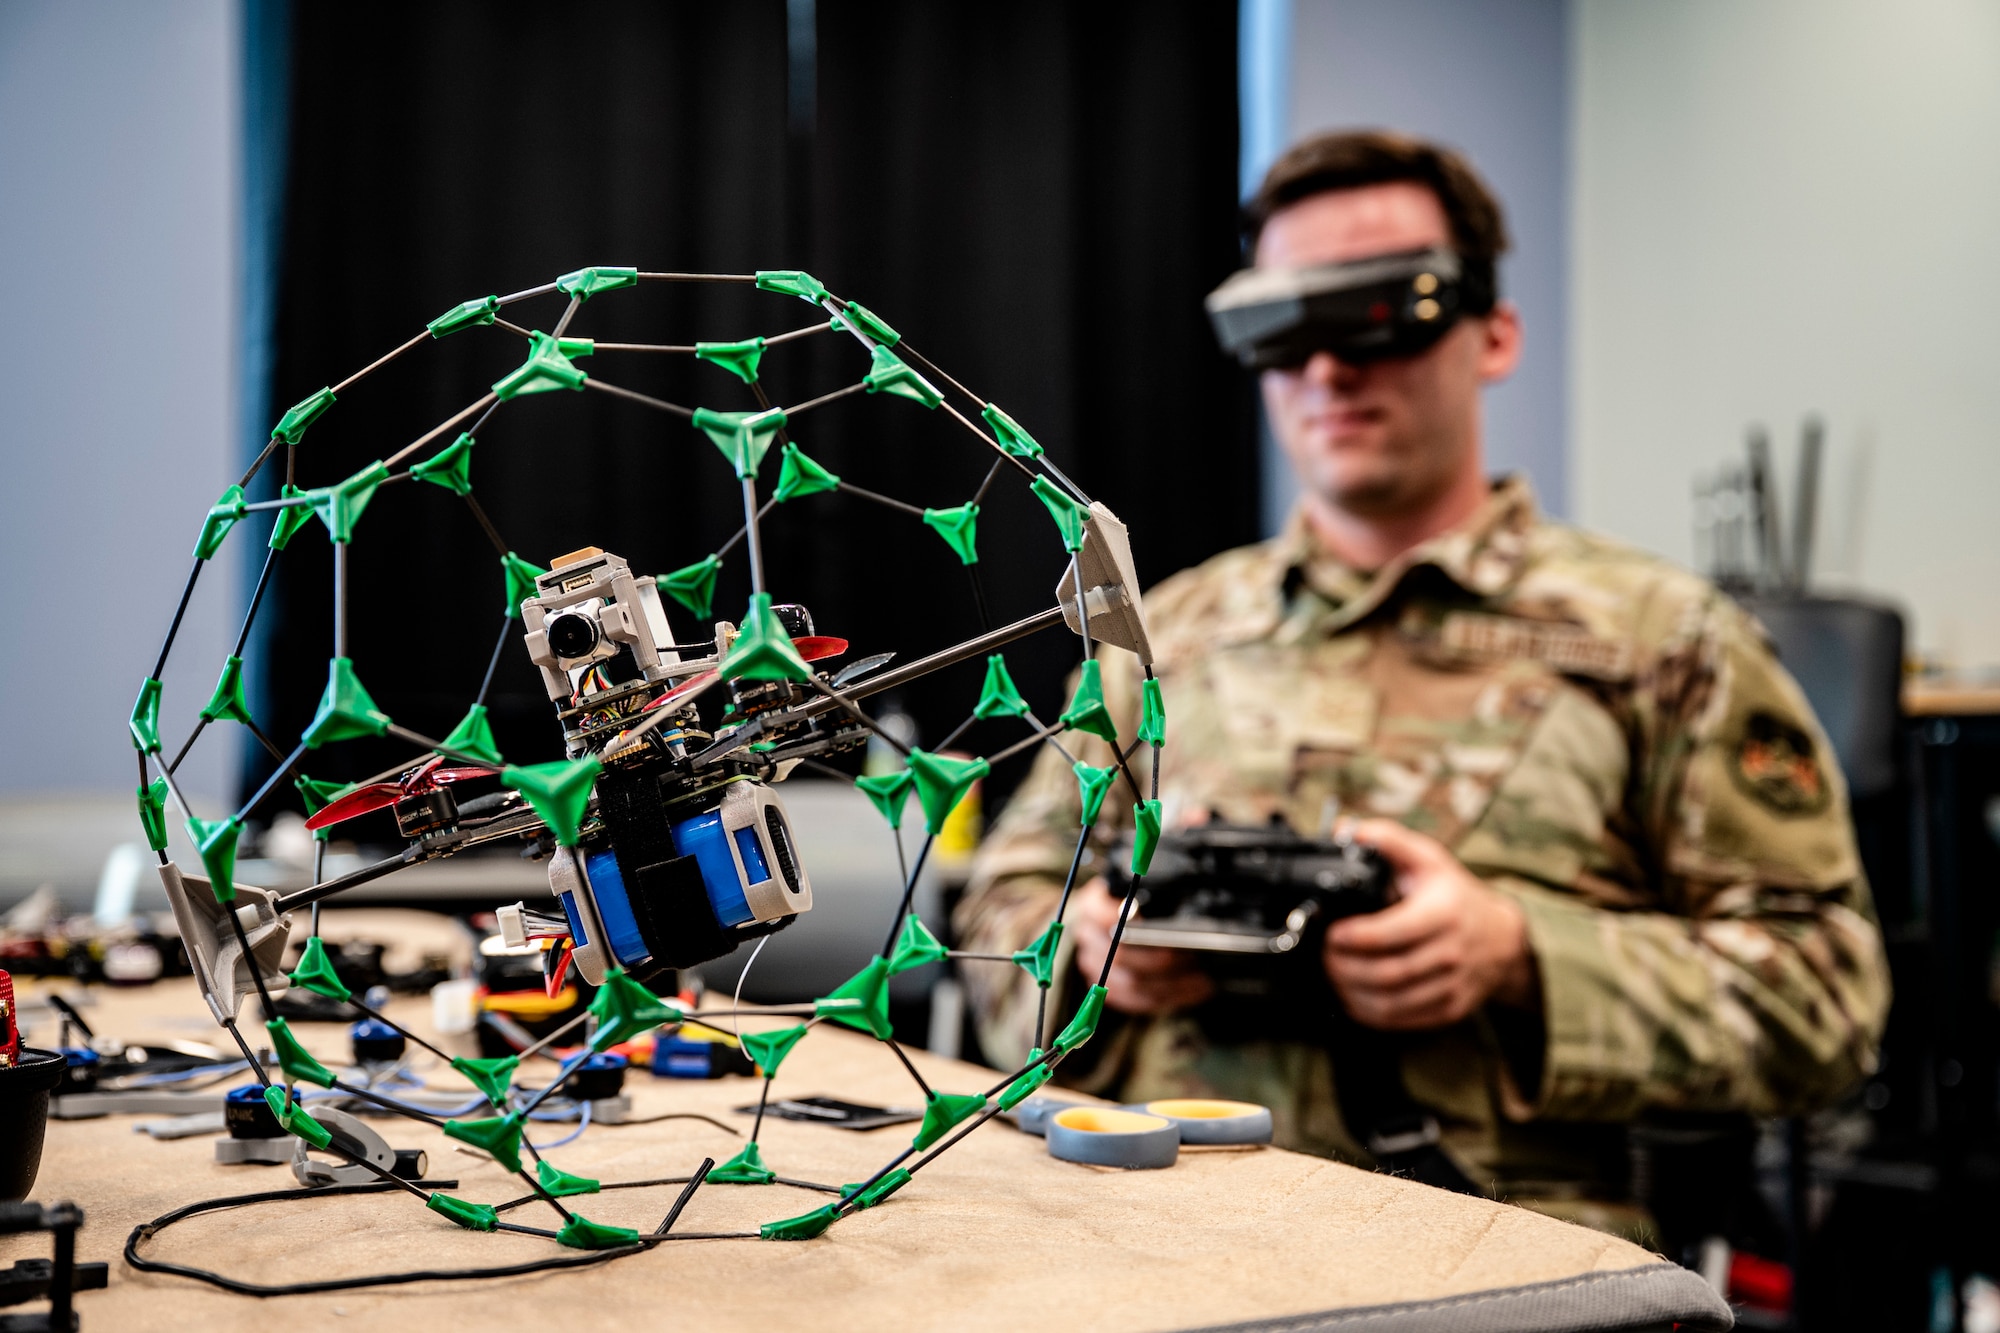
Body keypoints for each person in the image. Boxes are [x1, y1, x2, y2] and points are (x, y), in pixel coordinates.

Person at [955, 129, 1891, 1234]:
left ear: (1493, 334)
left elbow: (1826, 994)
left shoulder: (1664, 638)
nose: (1327, 369)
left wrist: (1518, 956)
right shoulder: (1164, 634)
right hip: (1157, 1241)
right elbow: (995, 904)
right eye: (1282, 328)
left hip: (1497, 1260)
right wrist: (1098, 954)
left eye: (1379, 313)